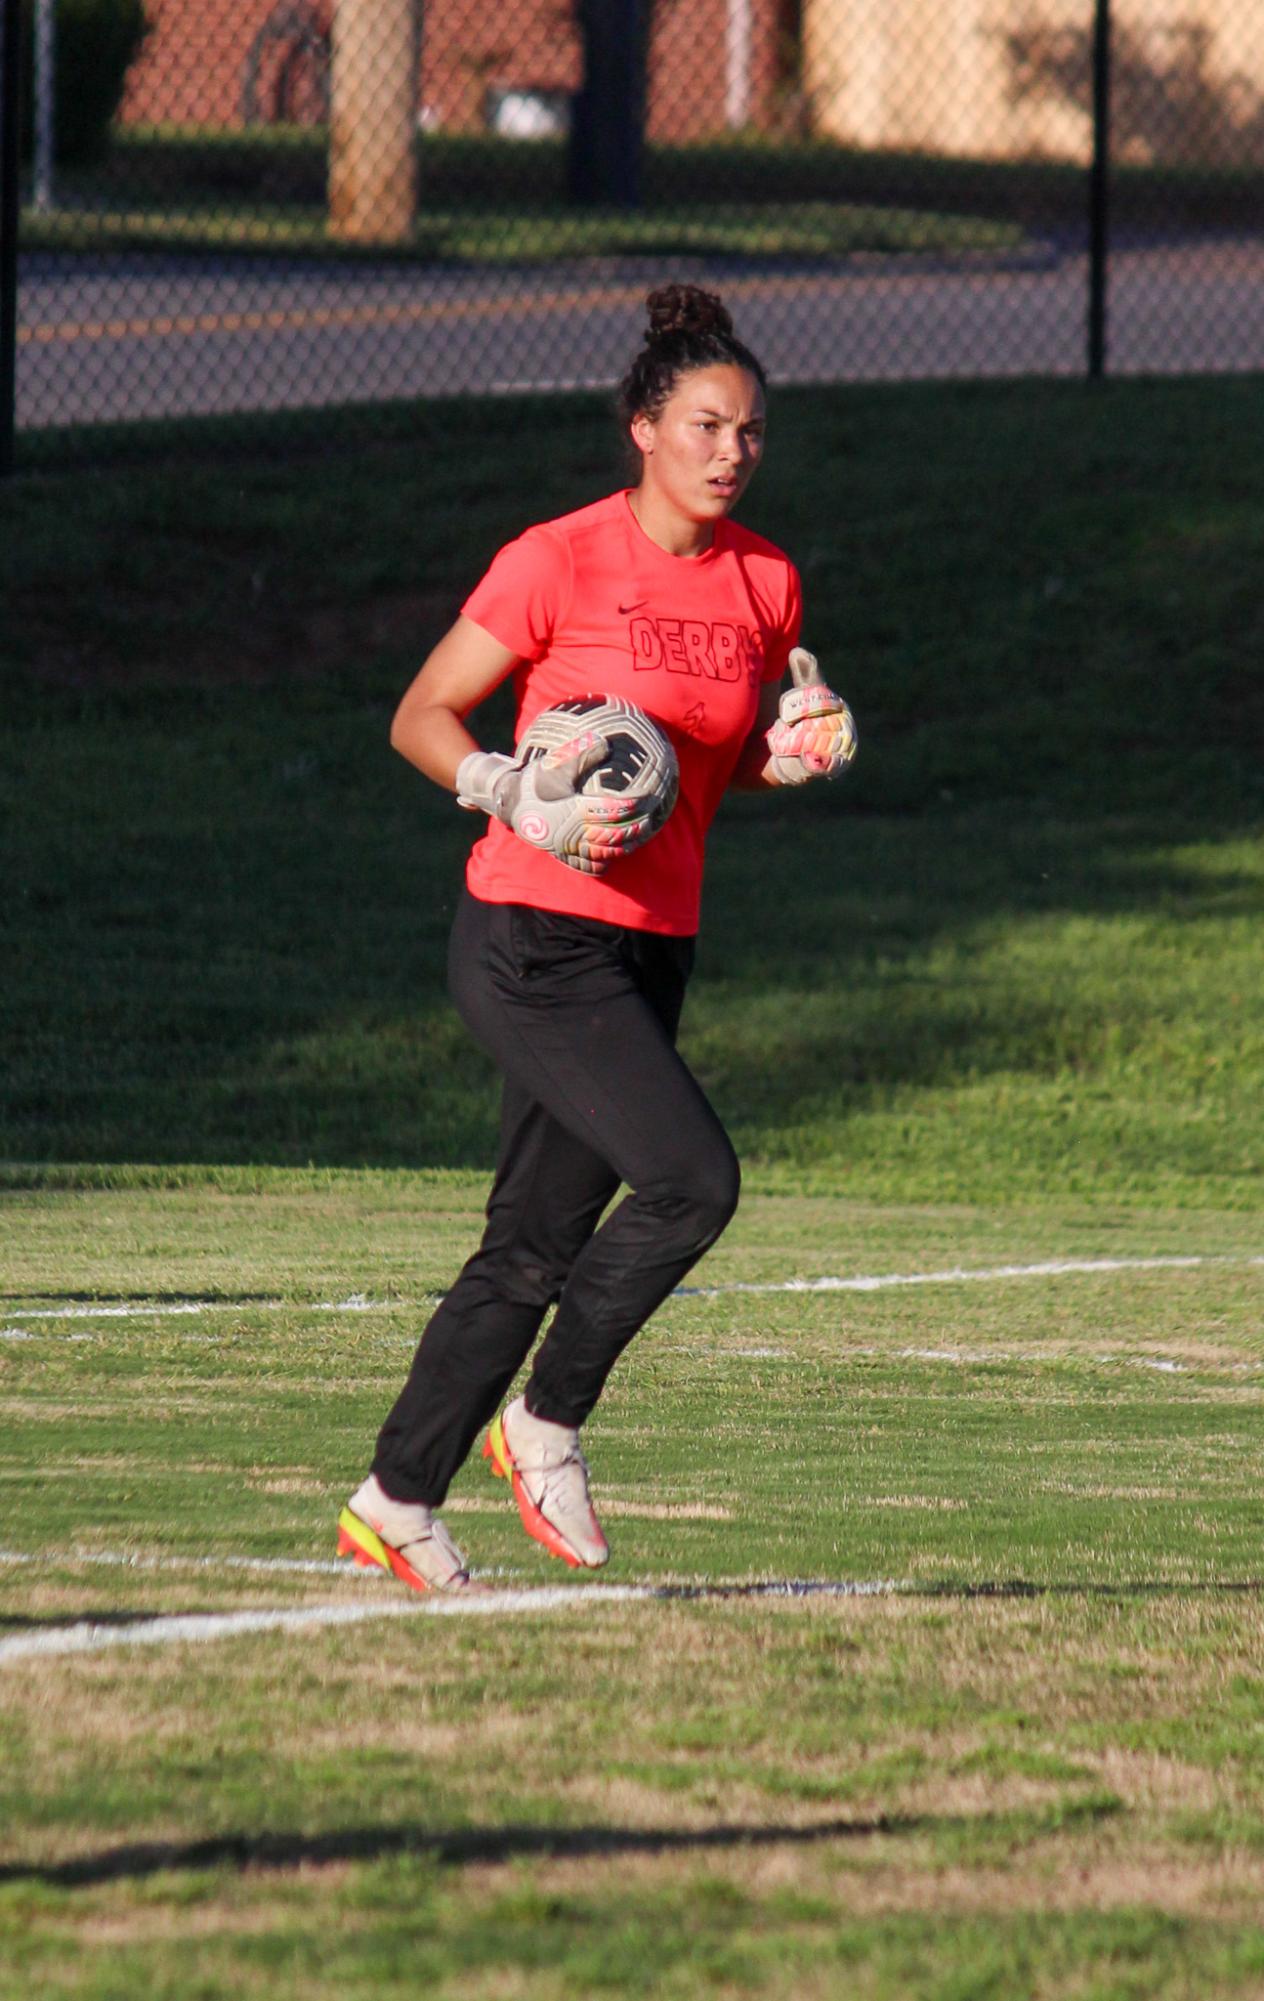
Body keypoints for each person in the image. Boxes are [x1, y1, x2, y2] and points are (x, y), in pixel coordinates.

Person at [336, 282, 857, 1593]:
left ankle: (396, 1496)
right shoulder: (554, 558)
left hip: (647, 947)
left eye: (749, 431)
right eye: (704, 424)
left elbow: (696, 769)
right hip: (530, 934)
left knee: (531, 1244)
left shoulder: (769, 582)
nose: (731, 450)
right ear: (643, 426)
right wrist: (505, 785)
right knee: (694, 1182)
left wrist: (786, 759)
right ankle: (546, 1419)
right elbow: (422, 716)